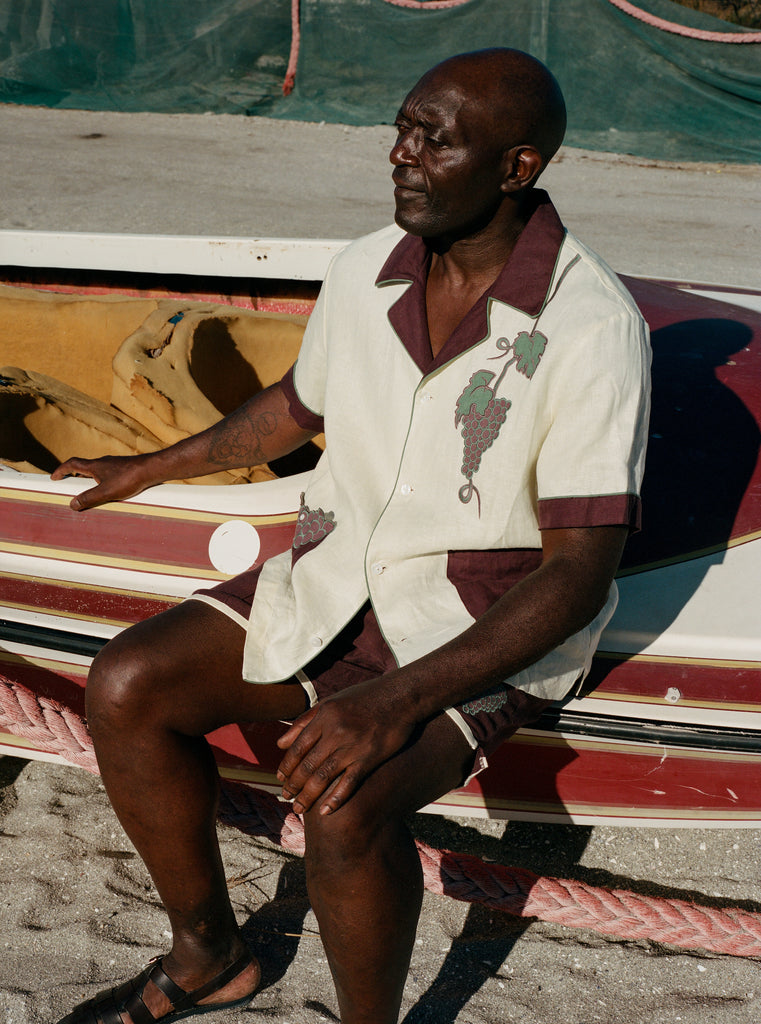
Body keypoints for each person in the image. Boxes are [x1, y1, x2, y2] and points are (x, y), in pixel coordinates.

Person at [53, 47, 650, 1024]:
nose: (400, 156)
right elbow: (297, 407)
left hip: (472, 623)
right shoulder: (363, 266)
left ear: (516, 168)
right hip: (334, 578)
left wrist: (390, 702)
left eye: (433, 140)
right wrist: (154, 465)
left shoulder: (590, 325)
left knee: (343, 807)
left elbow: (577, 575)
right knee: (127, 683)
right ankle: (208, 956)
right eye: (402, 130)